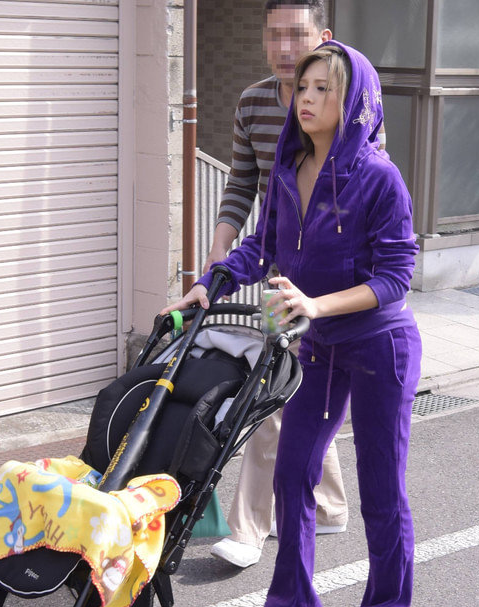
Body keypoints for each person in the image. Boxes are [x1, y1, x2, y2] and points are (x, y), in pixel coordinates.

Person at [162, 41, 421, 607]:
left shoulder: (380, 178)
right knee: (293, 471)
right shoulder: (288, 168)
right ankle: (293, 601)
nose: (306, 98)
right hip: (317, 345)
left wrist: (317, 305)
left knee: (381, 485)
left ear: (353, 101)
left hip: (380, 346)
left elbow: (396, 277)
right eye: (303, 87)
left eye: (323, 89)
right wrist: (211, 282)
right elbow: (263, 246)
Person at [205, 0, 348, 570]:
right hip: (279, 275)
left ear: (323, 37)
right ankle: (329, 507)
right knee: (286, 389)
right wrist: (221, 249)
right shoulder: (252, 103)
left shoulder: (348, 103)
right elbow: (242, 184)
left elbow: (363, 189)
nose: (285, 49)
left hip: (334, 282)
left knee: (280, 393)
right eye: (274, 36)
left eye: (297, 35)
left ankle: (248, 529)